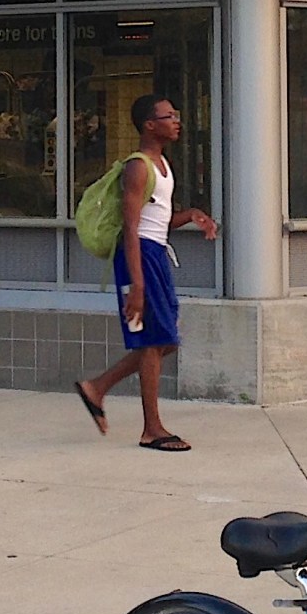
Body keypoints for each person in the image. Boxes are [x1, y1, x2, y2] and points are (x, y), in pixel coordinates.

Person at [73, 93, 217, 451]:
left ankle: (98, 388)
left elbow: (159, 221)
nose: (176, 121)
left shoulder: (163, 165)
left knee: (164, 340)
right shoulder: (138, 167)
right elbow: (132, 228)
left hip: (154, 256)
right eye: (169, 116)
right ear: (150, 125)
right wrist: (136, 284)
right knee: (154, 341)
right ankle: (152, 429)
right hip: (139, 258)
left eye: (176, 114)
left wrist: (192, 216)